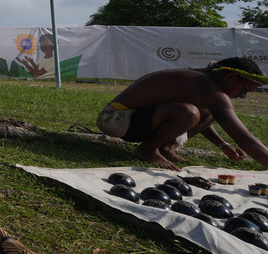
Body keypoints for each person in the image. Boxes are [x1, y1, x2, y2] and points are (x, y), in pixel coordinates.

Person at [96, 56, 268, 171]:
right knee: (190, 112)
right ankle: (147, 150)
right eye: (244, 90)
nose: (242, 96)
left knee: (205, 112)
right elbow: (245, 139)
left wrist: (222, 145)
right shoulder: (204, 84)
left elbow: (203, 120)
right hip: (116, 119)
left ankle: (165, 149)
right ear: (230, 77)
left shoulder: (205, 83)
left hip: (131, 119)